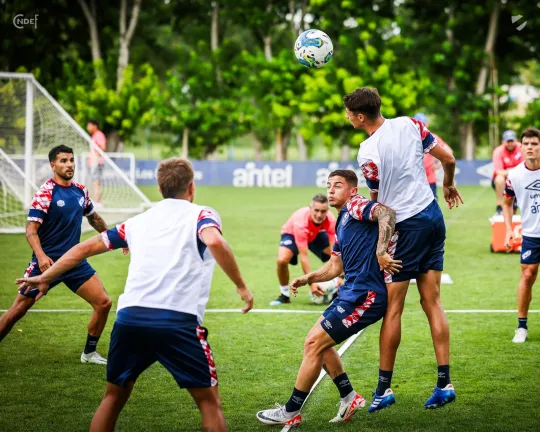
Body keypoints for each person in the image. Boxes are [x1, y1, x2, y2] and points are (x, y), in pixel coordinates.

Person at [17, 158, 254, 432]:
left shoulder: (136, 222)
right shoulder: (202, 214)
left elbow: (83, 249)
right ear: (192, 187)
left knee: (113, 398)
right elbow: (213, 240)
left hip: (130, 319)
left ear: (159, 188)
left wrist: (45, 276)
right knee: (209, 404)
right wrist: (241, 286)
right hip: (178, 322)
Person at [343, 87, 463, 411]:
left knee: (393, 308)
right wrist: (448, 184)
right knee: (432, 301)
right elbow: (448, 158)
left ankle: (383, 390)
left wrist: (379, 244)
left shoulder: (367, 151)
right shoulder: (411, 124)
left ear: (360, 117)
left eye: (349, 114)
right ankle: (444, 384)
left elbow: (377, 201)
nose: (348, 118)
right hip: (433, 216)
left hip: (406, 227)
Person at [256, 170, 400, 427]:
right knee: (316, 344)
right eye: (329, 185)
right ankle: (349, 397)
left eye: (338, 185)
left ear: (352, 190)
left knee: (314, 344)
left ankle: (291, 410)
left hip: (365, 296)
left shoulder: (356, 205)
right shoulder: (342, 219)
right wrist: (309, 278)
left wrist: (381, 252)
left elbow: (386, 213)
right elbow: (335, 266)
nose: (331, 190)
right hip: (350, 293)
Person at [0, 145, 111, 364]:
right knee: (16, 311)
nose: (69, 165)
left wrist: (112, 237)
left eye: (71, 160)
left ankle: (89, 354)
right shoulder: (45, 193)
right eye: (63, 161)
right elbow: (31, 230)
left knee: (103, 303)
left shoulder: (81, 191)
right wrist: (41, 257)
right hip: (47, 263)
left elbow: (94, 218)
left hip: (75, 261)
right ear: (53, 165)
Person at [503, 127, 540, 343]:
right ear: (521, 147)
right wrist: (509, 229)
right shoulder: (515, 175)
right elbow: (507, 203)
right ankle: (521, 326)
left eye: (534, 144)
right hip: (531, 234)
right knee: (527, 275)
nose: (530, 147)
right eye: (526, 144)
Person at [270, 194, 337, 306]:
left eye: (323, 211)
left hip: (316, 235)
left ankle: (335, 290)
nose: (319, 215)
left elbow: (336, 252)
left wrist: (340, 277)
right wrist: (311, 283)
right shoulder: (300, 222)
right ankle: (285, 295)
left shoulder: (331, 220)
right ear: (310, 208)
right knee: (282, 260)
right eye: (316, 210)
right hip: (292, 234)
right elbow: (304, 256)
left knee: (335, 255)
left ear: (327, 211)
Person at [413, 113, 454, 200]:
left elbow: (449, 151)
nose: (420, 128)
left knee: (431, 203)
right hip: (414, 181)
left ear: (427, 124)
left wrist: (439, 164)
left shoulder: (432, 137)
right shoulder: (409, 138)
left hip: (429, 180)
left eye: (423, 124)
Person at [493, 130, 523, 215]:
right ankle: (499, 206)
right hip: (503, 181)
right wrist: (515, 170)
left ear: (516, 140)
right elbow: (499, 172)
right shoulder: (498, 151)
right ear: (503, 141)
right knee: (499, 179)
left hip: (518, 180)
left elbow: (524, 168)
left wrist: (508, 170)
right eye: (507, 141)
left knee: (513, 211)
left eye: (511, 141)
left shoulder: (522, 148)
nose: (510, 143)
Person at [86, 119, 107, 207]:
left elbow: (103, 147)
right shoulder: (94, 135)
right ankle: (97, 200)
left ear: (95, 126)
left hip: (97, 162)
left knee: (96, 181)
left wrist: (96, 157)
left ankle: (98, 201)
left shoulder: (99, 135)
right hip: (93, 162)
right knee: (94, 181)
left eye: (89, 125)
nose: (88, 127)